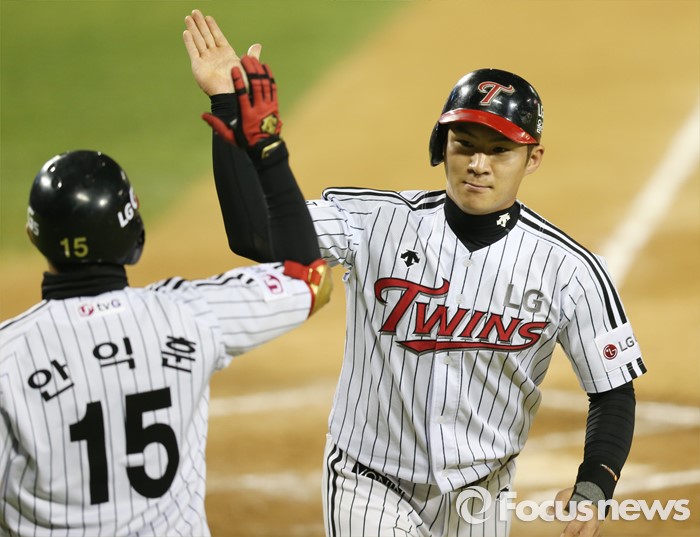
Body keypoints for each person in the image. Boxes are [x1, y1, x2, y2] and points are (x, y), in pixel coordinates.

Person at [183, 10, 646, 537]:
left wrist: (594, 485)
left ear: (532, 158)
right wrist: (227, 105)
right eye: (465, 144)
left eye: (499, 151)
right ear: (441, 146)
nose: (478, 164)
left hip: (481, 497)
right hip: (369, 484)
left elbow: (613, 390)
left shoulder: (568, 270)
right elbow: (257, 235)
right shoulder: (373, 222)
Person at [0, 148, 331, 536]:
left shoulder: (8, 357)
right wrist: (267, 154)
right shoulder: (190, 315)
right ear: (132, 226)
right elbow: (310, 279)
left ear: (33, 235)